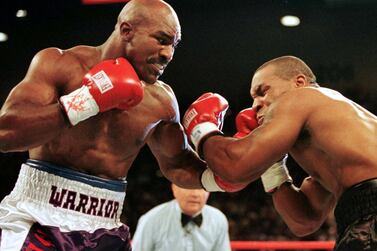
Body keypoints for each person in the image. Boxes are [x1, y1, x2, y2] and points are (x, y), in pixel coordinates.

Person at [0, 0, 238, 250]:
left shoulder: (161, 101)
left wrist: (218, 178)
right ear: (126, 31)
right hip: (38, 217)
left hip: (106, 228)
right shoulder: (60, 64)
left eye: (173, 45)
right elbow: (6, 134)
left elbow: (177, 164)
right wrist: (84, 101)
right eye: (161, 39)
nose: (168, 54)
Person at [182, 55, 377, 251]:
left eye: (263, 91)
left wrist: (203, 129)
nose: (255, 105)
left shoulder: (303, 96)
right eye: (253, 98)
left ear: (299, 82)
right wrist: (272, 166)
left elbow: (235, 166)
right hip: (360, 214)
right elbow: (304, 222)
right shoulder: (338, 148)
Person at [132, 183, 231, 251]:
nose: (195, 194)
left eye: (202, 188)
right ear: (174, 188)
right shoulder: (151, 219)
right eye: (188, 187)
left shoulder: (218, 219)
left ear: (209, 191)